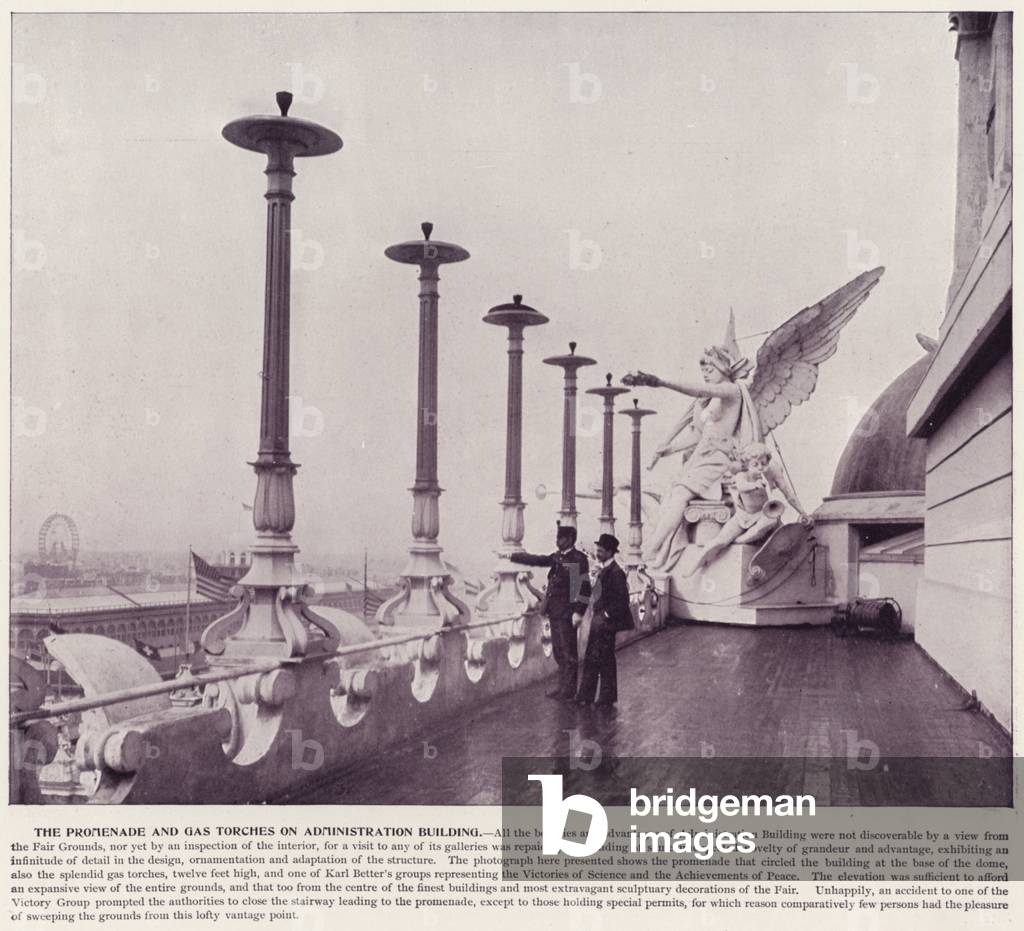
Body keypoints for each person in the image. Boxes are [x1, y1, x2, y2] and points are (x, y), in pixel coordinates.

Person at [624, 341, 762, 573]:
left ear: (722, 367)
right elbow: (699, 434)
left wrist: (660, 382)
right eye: (703, 370)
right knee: (671, 499)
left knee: (678, 497)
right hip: (701, 457)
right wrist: (670, 449)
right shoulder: (708, 401)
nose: (705, 374)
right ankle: (660, 551)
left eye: (709, 369)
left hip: (719, 459)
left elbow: (700, 390)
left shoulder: (731, 390)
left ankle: (650, 551)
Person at [508, 524, 591, 700]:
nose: (557, 541)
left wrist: (578, 612)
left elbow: (583, 589)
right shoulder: (557, 557)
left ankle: (569, 691)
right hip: (555, 611)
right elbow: (538, 560)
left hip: (567, 613)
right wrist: (513, 556)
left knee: (569, 654)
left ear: (570, 539)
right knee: (559, 651)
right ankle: (563, 688)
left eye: (560, 538)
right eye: (557, 538)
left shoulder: (577, 559)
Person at [575, 534, 635, 708]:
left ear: (610, 552)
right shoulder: (605, 569)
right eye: (597, 549)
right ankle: (595, 697)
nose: (598, 552)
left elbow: (622, 602)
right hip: (600, 620)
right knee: (597, 658)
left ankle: (597, 698)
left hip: (605, 623)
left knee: (601, 659)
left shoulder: (616, 573)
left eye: (601, 550)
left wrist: (606, 615)